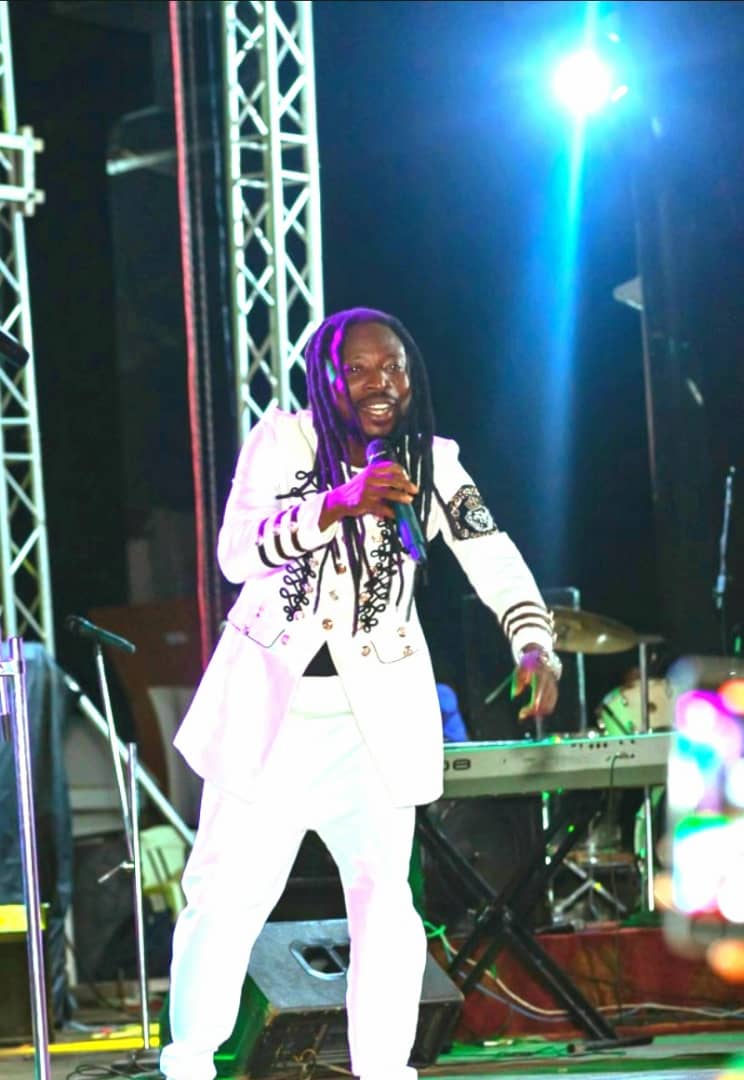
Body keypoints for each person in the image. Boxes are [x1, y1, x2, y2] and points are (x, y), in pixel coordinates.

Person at [159, 307, 561, 1080]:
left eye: (396, 368)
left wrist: (532, 640)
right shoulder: (282, 441)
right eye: (361, 369)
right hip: (272, 716)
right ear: (326, 379)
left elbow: (493, 554)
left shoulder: (432, 463)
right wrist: (337, 504)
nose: (383, 384)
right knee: (225, 898)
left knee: (385, 904)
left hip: (369, 723)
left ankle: (384, 1069)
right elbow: (237, 553)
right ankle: (190, 1062)